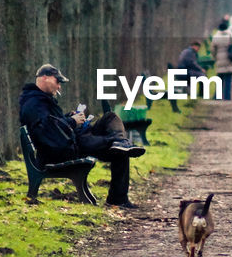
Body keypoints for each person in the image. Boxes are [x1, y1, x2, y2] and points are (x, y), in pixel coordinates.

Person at [19, 63, 145, 209]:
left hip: (72, 142)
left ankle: (121, 142)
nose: (59, 86)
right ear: (45, 78)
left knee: (110, 117)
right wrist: (72, 121)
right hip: (65, 150)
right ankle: (117, 198)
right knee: (119, 152)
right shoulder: (34, 103)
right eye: (57, 81)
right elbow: (48, 130)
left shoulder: (39, 100)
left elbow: (52, 124)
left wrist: (69, 117)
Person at [210, 17, 232, 100]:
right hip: (229, 61)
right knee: (228, 80)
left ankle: (217, 97)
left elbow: (212, 50)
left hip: (220, 61)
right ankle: (227, 97)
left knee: (219, 79)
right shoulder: (230, 35)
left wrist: (216, 57)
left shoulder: (215, 37)